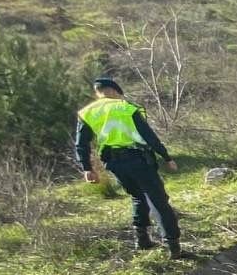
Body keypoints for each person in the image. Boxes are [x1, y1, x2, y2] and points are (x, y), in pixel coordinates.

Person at [75, 77, 185, 258]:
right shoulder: (126, 107)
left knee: (137, 197)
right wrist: (166, 157)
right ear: (114, 91)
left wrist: (87, 168)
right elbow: (149, 136)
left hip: (114, 163)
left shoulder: (87, 112)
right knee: (158, 200)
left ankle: (142, 240)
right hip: (138, 159)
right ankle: (173, 247)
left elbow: (81, 144)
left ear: (98, 92)